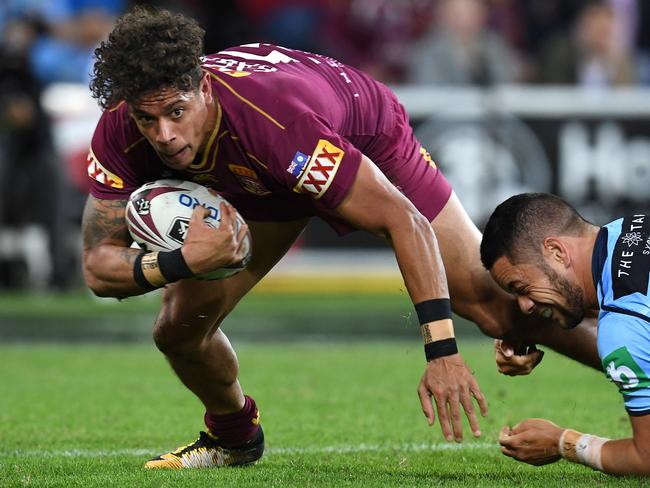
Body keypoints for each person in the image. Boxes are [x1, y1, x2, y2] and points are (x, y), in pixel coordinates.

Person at [82, 6, 597, 469]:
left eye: (176, 112)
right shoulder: (119, 131)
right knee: (176, 329)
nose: (165, 135)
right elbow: (97, 268)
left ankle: (635, 357)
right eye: (148, 119)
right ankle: (233, 438)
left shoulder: (276, 123)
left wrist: (442, 353)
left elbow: (404, 222)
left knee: (494, 308)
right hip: (261, 177)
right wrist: (180, 262)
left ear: (204, 89)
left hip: (360, 133)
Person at [480, 192, 650, 476]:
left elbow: (646, 458)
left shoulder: (623, 333)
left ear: (557, 252)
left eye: (522, 288)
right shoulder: (633, 226)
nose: (525, 307)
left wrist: (564, 442)